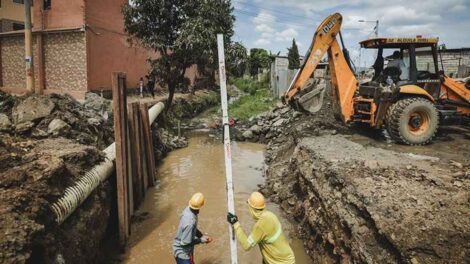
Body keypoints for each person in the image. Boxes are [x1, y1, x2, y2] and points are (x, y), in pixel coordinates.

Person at [227, 192, 295, 264]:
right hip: (285, 258)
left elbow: (246, 245)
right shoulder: (270, 215)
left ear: (251, 208)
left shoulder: (261, 225)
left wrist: (235, 223)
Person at [173, 193, 212, 264]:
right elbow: (184, 243)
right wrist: (201, 240)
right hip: (183, 253)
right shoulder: (190, 223)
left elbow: (193, 229)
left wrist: (201, 235)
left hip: (186, 250)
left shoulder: (187, 210)